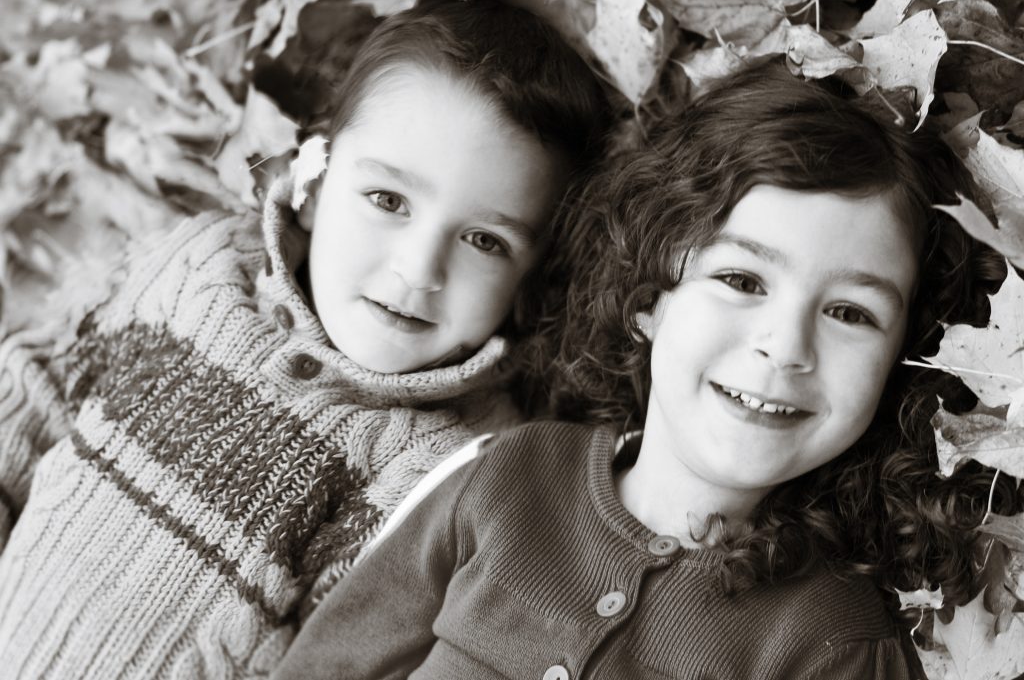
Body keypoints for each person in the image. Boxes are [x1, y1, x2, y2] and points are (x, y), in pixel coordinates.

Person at [270, 61, 1022, 680]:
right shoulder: (511, 476)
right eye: (742, 280)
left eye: (850, 313)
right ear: (649, 300)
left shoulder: (836, 644)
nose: (786, 346)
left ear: (902, 362)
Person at [0, 0, 610, 677]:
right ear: (313, 181)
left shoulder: (445, 468)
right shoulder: (201, 274)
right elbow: (33, 396)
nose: (418, 270)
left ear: (529, 280)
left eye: (484, 241)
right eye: (388, 200)